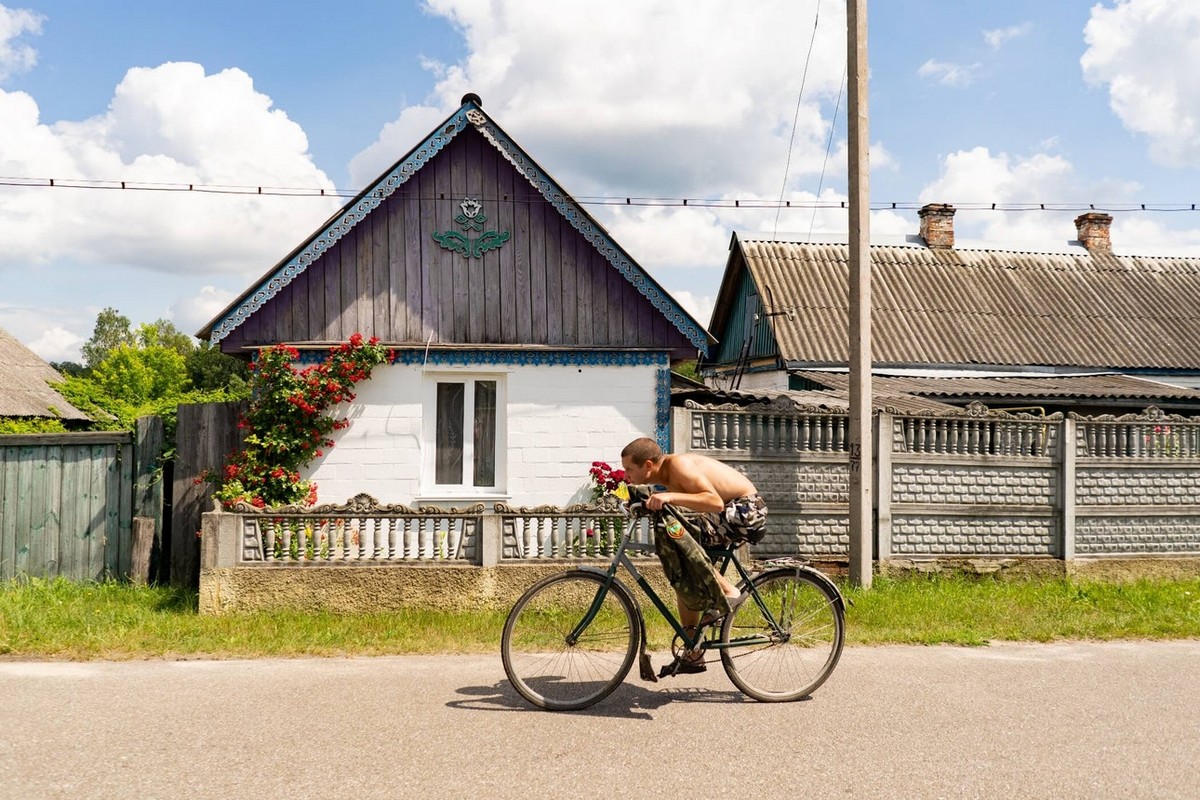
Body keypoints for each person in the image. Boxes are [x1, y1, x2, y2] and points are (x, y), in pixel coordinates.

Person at [620, 437, 768, 676]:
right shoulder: (665, 476)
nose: (626, 475)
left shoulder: (678, 466)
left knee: (676, 536)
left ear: (648, 465)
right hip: (728, 514)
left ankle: (728, 590)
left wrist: (668, 497)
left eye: (629, 469)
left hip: (744, 511)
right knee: (683, 575)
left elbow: (714, 502)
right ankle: (693, 652)